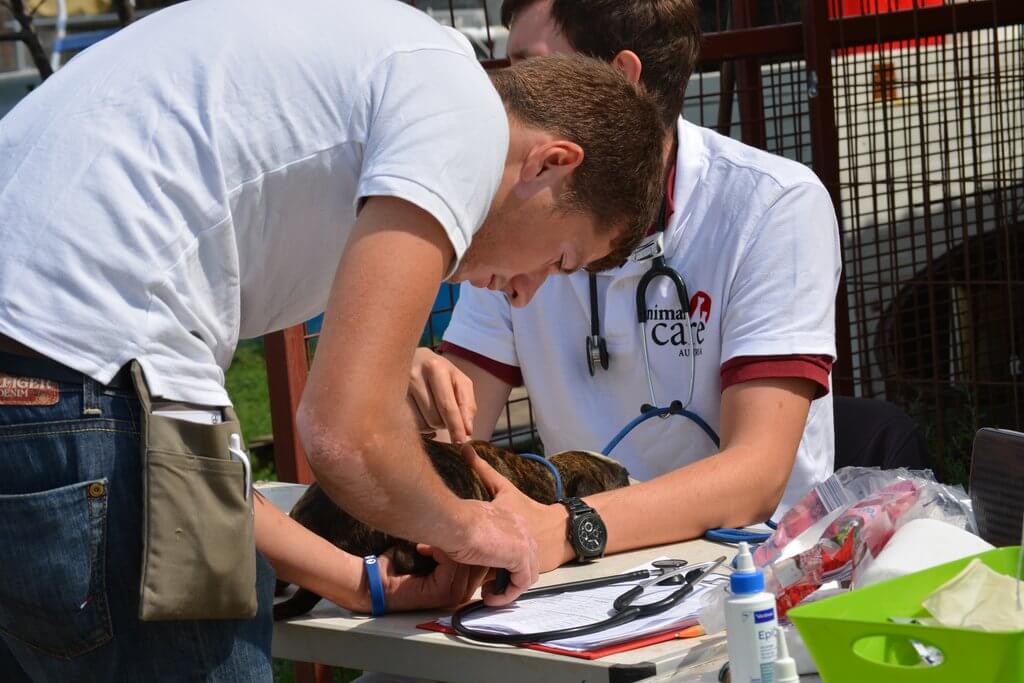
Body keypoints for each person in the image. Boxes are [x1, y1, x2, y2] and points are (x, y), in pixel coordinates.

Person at [0, 0, 666, 679]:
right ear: (551, 164)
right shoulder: (464, 116)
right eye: (559, 259)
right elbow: (345, 433)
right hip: (76, 408)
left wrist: (363, 582)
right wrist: (475, 528)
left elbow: (180, 464)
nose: (525, 292)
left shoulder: (383, 72)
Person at [409, 0, 843, 572]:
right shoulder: (519, 214)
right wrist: (412, 393)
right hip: (579, 568)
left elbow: (755, 477)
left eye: (530, 68)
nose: (505, 98)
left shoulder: (772, 203)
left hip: (748, 573)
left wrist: (569, 525)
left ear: (618, 81)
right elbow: (455, 432)